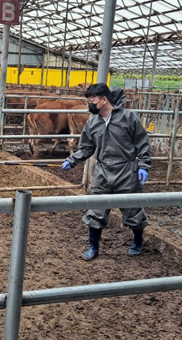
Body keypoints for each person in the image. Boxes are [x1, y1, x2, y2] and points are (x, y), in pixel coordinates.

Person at [61, 83, 151, 260]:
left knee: (132, 209)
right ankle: (93, 247)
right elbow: (87, 147)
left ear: (104, 99)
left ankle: (138, 241)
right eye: (88, 101)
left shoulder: (128, 117)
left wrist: (144, 165)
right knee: (96, 209)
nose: (90, 104)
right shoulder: (92, 122)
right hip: (102, 170)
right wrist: (72, 160)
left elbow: (142, 142)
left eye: (92, 100)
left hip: (126, 170)